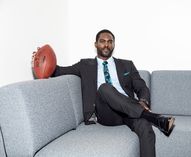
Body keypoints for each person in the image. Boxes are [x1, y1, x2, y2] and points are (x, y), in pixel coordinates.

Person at [35, 29, 175, 157]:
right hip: (106, 113)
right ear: (96, 44)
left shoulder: (127, 65)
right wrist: (41, 59)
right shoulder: (85, 65)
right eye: (102, 41)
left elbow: (141, 86)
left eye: (110, 42)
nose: (106, 45)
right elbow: (59, 71)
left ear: (114, 44)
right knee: (104, 88)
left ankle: (148, 117)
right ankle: (154, 117)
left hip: (129, 111)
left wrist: (143, 101)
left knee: (145, 126)